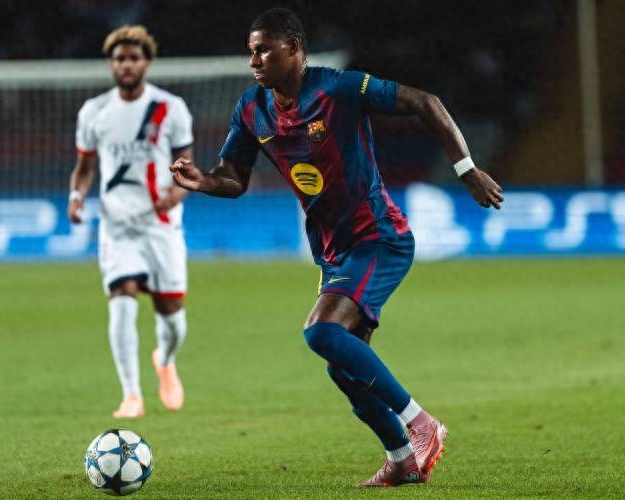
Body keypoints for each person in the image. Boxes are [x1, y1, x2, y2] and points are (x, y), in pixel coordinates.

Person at [170, 7, 503, 488]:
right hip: (333, 251)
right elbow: (233, 178)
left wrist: (466, 170)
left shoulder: (338, 89)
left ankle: (421, 423)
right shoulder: (252, 108)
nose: (254, 61)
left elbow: (425, 101)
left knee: (321, 332)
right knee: (343, 369)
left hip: (378, 237)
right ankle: (402, 460)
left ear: (293, 49)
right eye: (251, 52)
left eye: (263, 50)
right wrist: (203, 180)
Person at [68, 25, 194, 418]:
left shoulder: (170, 108)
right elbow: (84, 168)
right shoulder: (94, 111)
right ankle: (131, 395)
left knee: (172, 321)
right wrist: (76, 197)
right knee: (121, 299)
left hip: (161, 224)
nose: (126, 64)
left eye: (133, 58)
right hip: (117, 224)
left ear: (147, 63)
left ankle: (165, 360)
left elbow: (187, 168)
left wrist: (177, 193)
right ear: (111, 64)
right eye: (119, 58)